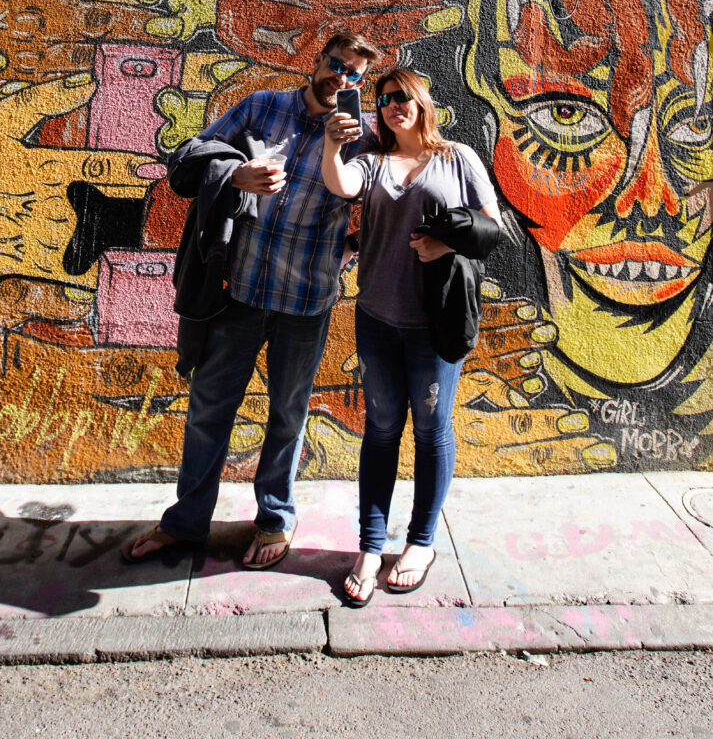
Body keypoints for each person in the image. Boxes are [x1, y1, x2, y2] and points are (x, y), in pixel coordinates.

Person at [123, 31, 382, 568]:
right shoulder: (261, 106)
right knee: (209, 411)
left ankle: (274, 521)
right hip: (239, 293)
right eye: (337, 64)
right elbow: (187, 157)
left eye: (356, 74)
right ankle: (187, 522)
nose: (342, 78)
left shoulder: (364, 137)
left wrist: (350, 248)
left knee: (288, 415)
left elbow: (390, 199)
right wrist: (235, 173)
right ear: (316, 59)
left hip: (307, 300)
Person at [321, 67, 501, 605]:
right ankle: (371, 547)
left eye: (403, 97)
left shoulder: (457, 158)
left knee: (431, 427)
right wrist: (333, 147)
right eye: (384, 100)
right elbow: (342, 184)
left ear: (422, 102)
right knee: (379, 431)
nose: (393, 105)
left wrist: (445, 246)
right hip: (376, 316)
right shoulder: (373, 163)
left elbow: (493, 226)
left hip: (433, 321)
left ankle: (420, 543)